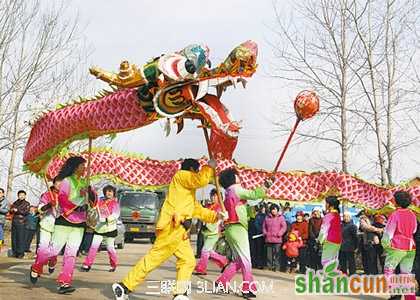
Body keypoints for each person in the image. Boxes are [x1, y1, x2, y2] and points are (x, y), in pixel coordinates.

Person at [112, 158, 225, 300]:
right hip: (172, 228)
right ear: (191, 170)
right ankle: (124, 286)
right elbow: (200, 180)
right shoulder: (181, 175)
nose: (197, 173)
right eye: (196, 171)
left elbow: (199, 211)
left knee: (188, 261)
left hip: (180, 233)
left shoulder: (187, 194)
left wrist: (217, 216)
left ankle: (180, 293)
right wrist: (209, 167)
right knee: (153, 260)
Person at [30, 156, 96, 294]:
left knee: (71, 254)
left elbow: (94, 203)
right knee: (53, 251)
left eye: (85, 166)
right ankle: (37, 266)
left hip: (80, 222)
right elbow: (64, 200)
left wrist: (90, 193)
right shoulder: (66, 181)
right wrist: (80, 196)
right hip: (65, 220)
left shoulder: (86, 182)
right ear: (74, 167)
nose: (85, 168)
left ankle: (64, 282)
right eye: (82, 166)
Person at [214, 168, 270, 299]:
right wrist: (265, 187)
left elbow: (247, 202)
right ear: (232, 178)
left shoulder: (229, 192)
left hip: (231, 229)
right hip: (238, 227)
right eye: (237, 175)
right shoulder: (236, 188)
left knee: (239, 260)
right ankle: (247, 288)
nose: (239, 177)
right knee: (246, 260)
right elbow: (253, 194)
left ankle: (222, 281)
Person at [382, 191, 417, 300]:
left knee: (389, 271)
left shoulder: (395, 214)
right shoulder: (412, 214)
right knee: (406, 274)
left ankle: (395, 295)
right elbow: (414, 230)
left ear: (396, 202)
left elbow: (388, 233)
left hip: (397, 247)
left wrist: (386, 246)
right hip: (411, 247)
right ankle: (410, 298)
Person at [82, 185, 120, 272]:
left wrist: (106, 219)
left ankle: (113, 265)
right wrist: (90, 191)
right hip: (99, 229)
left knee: (110, 248)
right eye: (107, 191)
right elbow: (93, 205)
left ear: (113, 193)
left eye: (111, 191)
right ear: (104, 192)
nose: (109, 193)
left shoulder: (115, 204)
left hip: (110, 229)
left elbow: (115, 215)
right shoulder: (100, 202)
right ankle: (87, 264)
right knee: (93, 247)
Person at [31, 177, 61, 276]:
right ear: (54, 183)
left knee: (54, 250)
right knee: (43, 247)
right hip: (47, 224)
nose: (60, 184)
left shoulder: (66, 196)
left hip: (60, 227)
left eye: (62, 182)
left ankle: (52, 262)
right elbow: (39, 210)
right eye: (58, 182)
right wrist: (48, 205)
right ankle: (37, 269)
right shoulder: (47, 195)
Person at [194, 189, 228, 275]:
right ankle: (224, 261)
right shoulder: (208, 206)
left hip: (214, 232)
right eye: (211, 195)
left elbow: (221, 219)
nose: (212, 197)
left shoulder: (220, 207)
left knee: (205, 250)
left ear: (219, 197)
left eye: (215, 196)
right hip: (206, 232)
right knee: (209, 252)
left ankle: (201, 269)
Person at [318, 196, 342, 268]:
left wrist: (319, 240)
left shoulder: (328, 216)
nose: (325, 205)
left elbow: (323, 229)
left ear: (330, 205)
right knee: (333, 260)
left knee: (326, 261)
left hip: (329, 240)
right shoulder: (337, 215)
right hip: (337, 240)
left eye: (326, 203)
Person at [263, 203, 287, 272]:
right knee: (269, 254)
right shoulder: (267, 217)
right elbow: (264, 227)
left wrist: (280, 233)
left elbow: (284, 227)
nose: (273, 211)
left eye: (275, 209)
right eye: (272, 209)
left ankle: (277, 267)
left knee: (277, 254)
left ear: (277, 210)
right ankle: (269, 266)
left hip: (277, 239)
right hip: (268, 238)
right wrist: (265, 233)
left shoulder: (281, 217)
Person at [10, 190, 30, 258]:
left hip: (22, 222)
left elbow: (26, 212)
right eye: (20, 195)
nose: (21, 196)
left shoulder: (27, 203)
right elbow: (11, 211)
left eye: (23, 195)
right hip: (14, 221)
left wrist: (17, 210)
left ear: (25, 196)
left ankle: (21, 252)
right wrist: (12, 210)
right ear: (18, 195)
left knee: (21, 238)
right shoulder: (15, 203)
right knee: (14, 237)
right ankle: (14, 252)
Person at [253, 204, 267, 269]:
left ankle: (264, 264)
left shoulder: (267, 216)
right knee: (258, 250)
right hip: (258, 235)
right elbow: (256, 224)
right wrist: (261, 231)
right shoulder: (258, 216)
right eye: (262, 208)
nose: (263, 209)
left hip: (266, 235)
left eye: (264, 208)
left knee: (264, 250)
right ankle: (258, 263)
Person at [0, 188, 8, 252]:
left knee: (0, 232)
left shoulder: (5, 201)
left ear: (3, 193)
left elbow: (6, 211)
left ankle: (1, 243)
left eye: (0, 192)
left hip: (1, 219)